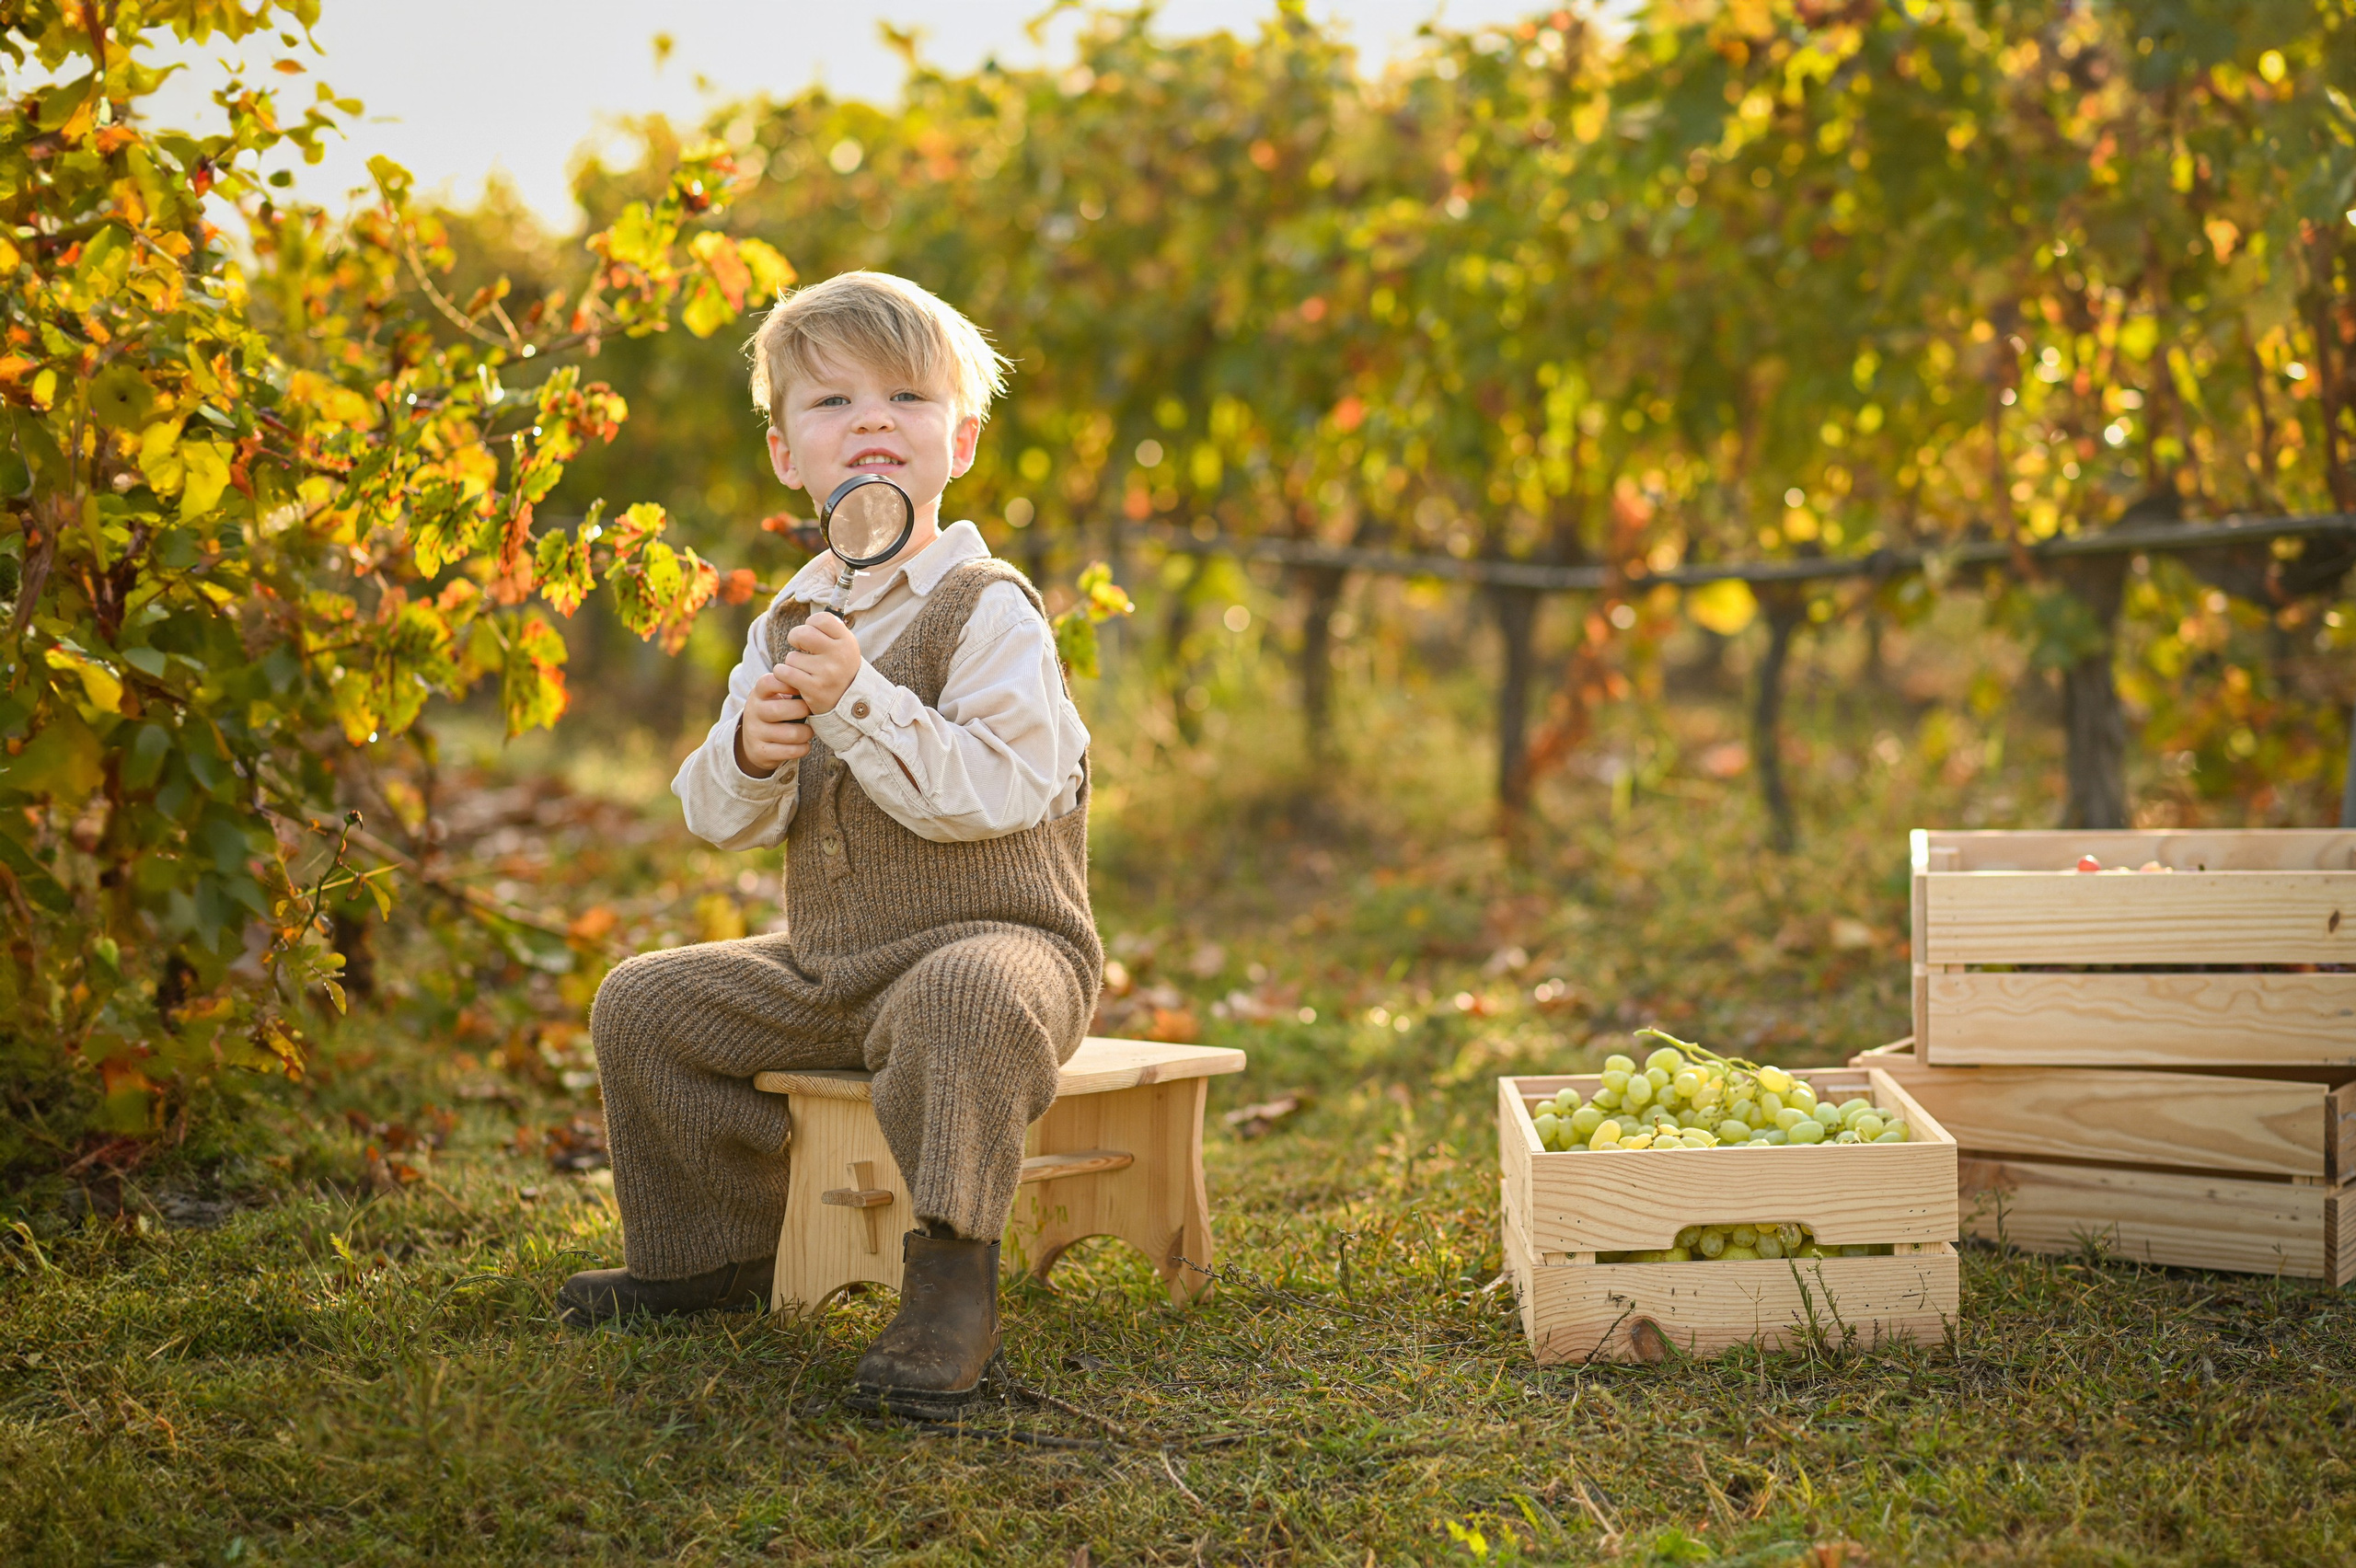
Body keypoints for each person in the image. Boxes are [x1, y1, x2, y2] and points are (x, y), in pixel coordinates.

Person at [558, 271, 1099, 1418]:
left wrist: (858, 701)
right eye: (831, 402)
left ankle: (950, 1285)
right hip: (835, 965)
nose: (870, 422)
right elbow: (716, 818)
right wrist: (752, 752)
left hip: (1002, 946)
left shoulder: (987, 607)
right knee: (644, 1003)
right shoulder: (789, 622)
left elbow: (1000, 789)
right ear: (784, 454)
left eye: (906, 397)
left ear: (960, 440)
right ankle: (711, 1255)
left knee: (961, 999)